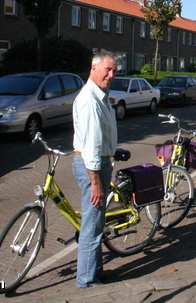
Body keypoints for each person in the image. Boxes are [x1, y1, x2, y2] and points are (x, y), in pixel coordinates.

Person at [72, 51, 118, 288]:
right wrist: (96, 182)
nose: (111, 75)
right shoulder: (90, 100)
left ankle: (95, 272)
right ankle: (86, 281)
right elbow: (90, 145)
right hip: (93, 165)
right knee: (91, 225)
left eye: (114, 71)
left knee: (97, 223)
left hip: (99, 162)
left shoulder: (100, 96)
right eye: (107, 70)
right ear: (93, 68)